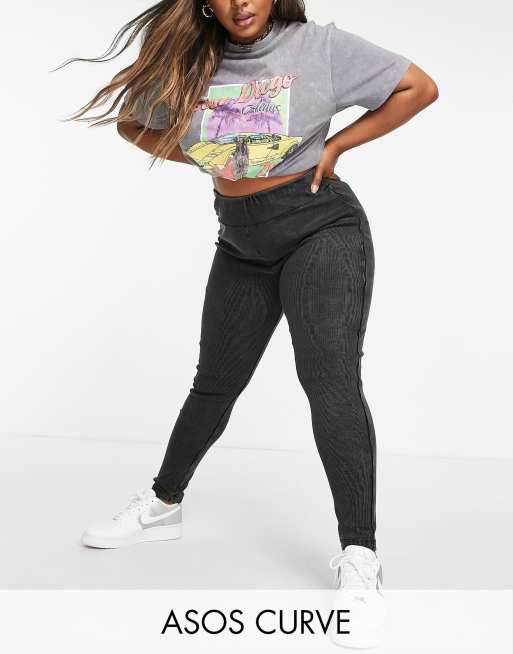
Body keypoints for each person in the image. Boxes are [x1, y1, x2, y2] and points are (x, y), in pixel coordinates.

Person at [63, 0, 437, 647]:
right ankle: (163, 505)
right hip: (241, 240)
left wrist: (339, 144)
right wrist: (212, 157)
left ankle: (360, 556)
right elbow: (132, 123)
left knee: (329, 382)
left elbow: (418, 87)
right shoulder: (190, 58)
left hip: (320, 228)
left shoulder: (317, 47)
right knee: (215, 381)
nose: (242, 2)